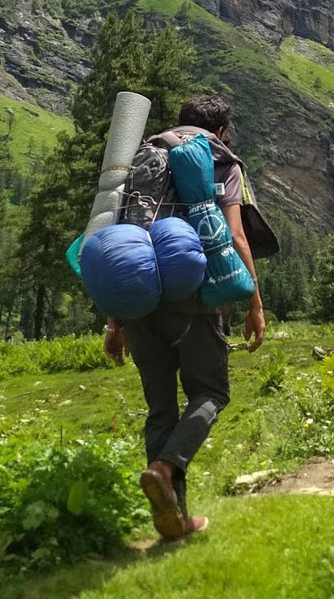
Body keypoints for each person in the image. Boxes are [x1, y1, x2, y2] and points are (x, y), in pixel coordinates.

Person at [102, 93, 265, 541]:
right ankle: (166, 466)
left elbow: (120, 232)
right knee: (211, 392)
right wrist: (254, 305)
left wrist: (115, 322)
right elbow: (235, 235)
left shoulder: (143, 155)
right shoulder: (221, 162)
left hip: (138, 295)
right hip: (194, 295)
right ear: (222, 131)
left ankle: (174, 518)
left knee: (160, 408)